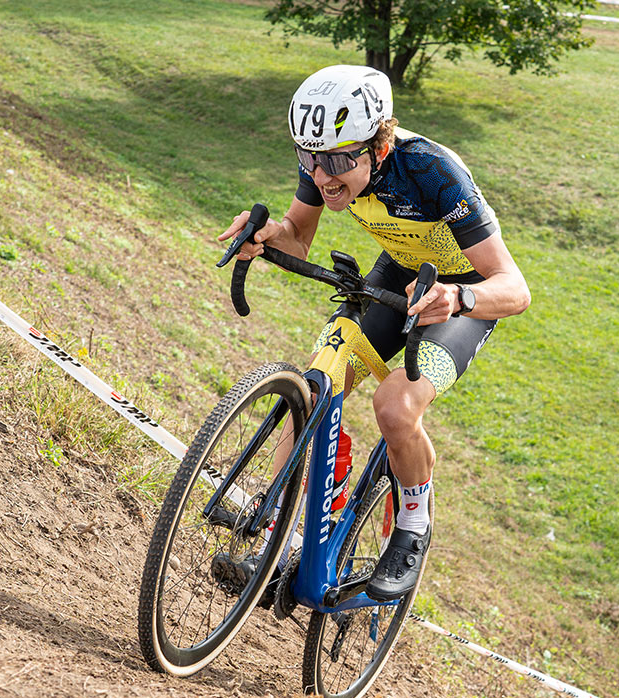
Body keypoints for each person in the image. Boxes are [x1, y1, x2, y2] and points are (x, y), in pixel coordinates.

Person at [217, 65, 531, 600]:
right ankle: (282, 538)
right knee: (318, 384)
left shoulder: (432, 171)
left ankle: (412, 526)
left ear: (379, 146)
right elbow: (297, 237)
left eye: (338, 162)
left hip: (465, 294)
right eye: (308, 159)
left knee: (394, 406)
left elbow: (516, 288)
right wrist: (267, 236)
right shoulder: (325, 160)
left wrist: (459, 298)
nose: (321, 176)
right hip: (401, 272)